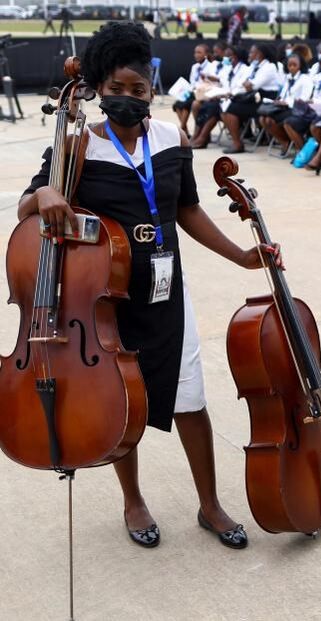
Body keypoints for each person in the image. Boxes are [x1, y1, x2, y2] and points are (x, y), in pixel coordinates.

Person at [18, 21, 283, 550]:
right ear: (97, 88)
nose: (127, 99)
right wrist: (45, 193)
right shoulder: (77, 146)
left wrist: (241, 257)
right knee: (121, 403)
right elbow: (30, 207)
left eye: (137, 89)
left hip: (167, 293)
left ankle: (209, 505)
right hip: (105, 304)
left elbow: (187, 210)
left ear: (151, 89)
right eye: (115, 90)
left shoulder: (171, 138)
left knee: (190, 399)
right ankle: (133, 500)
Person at [219, 43, 282, 154]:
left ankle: (238, 144)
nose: (250, 54)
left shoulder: (269, 67)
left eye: (252, 52)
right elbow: (242, 83)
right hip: (252, 98)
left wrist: (246, 84)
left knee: (230, 110)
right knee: (225, 109)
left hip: (264, 100)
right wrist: (244, 85)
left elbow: (253, 85)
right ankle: (237, 142)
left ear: (259, 54)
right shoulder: (254, 66)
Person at [190, 45, 250, 149]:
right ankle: (199, 135)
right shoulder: (229, 69)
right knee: (206, 105)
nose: (225, 58)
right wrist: (219, 92)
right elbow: (223, 82)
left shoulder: (245, 69)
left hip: (238, 99)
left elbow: (241, 87)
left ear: (235, 57)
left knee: (214, 108)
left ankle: (203, 137)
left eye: (228, 56)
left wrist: (226, 93)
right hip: (224, 96)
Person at [258, 53, 310, 156]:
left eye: (294, 65)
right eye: (289, 65)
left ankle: (290, 143)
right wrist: (279, 101)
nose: (291, 67)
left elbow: (305, 98)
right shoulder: (288, 78)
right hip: (283, 107)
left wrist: (288, 102)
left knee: (269, 119)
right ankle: (284, 141)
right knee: (263, 119)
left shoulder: (305, 79)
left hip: (296, 109)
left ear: (301, 65)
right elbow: (283, 94)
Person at [173, 43, 212, 137]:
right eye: (195, 52)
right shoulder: (194, 67)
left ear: (206, 54)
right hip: (193, 91)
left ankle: (181, 129)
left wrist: (197, 87)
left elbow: (209, 83)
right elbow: (192, 82)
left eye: (199, 52)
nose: (196, 55)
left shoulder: (210, 66)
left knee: (187, 104)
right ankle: (185, 130)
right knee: (177, 105)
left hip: (203, 93)